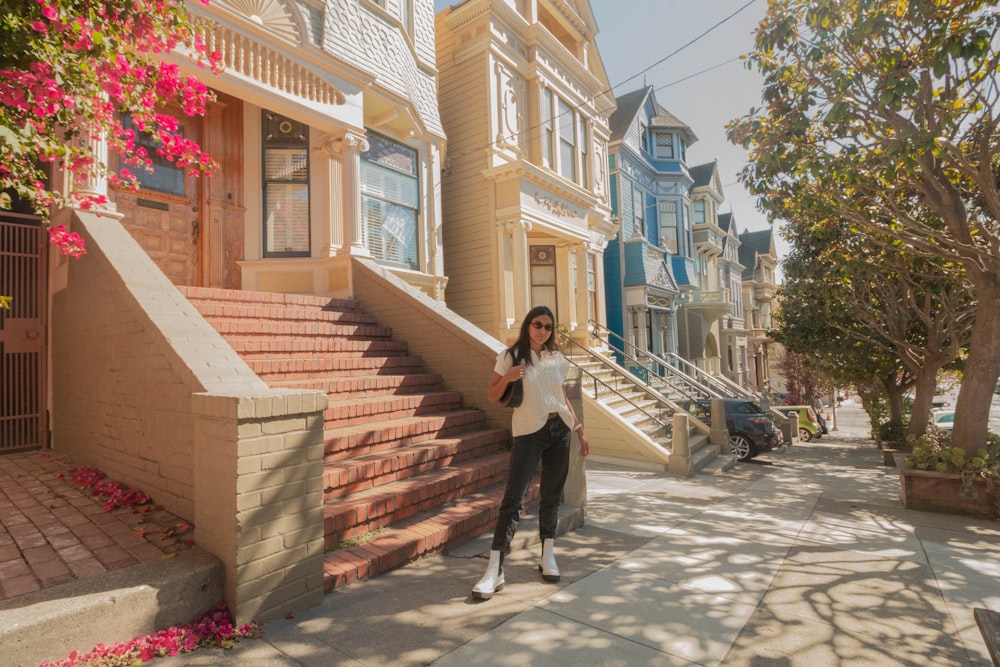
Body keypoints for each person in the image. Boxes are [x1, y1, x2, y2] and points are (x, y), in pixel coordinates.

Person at [472, 306, 590, 600]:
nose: (542, 330)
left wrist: (579, 429)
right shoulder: (510, 357)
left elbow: (561, 396)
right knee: (513, 499)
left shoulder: (556, 358)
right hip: (529, 431)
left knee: (552, 496)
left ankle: (547, 554)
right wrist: (510, 376)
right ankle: (495, 569)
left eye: (548, 327)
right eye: (537, 324)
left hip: (560, 429)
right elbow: (492, 394)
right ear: (527, 325)